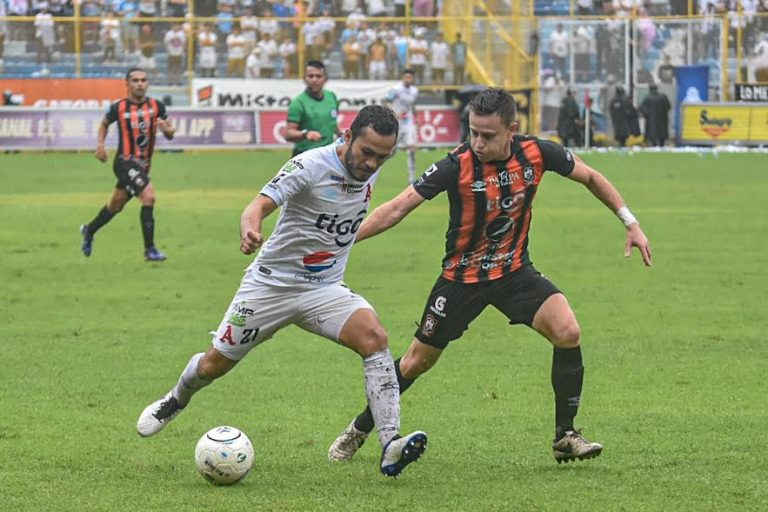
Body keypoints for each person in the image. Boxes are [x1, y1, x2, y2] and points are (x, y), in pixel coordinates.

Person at [328, 87, 652, 466]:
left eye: (487, 135)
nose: (477, 142)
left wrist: (630, 223)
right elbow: (398, 207)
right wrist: (343, 241)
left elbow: (592, 177)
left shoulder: (537, 153)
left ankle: (565, 436)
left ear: (511, 129)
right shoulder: (456, 165)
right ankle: (359, 429)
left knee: (568, 332)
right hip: (462, 281)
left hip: (514, 273)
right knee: (416, 362)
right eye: (473, 132)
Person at [136, 105, 428, 477]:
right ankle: (176, 398)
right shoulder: (310, 165)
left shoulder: (368, 166)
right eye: (367, 152)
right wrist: (250, 229)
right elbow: (257, 205)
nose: (371, 164)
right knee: (213, 365)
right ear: (348, 136)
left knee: (375, 338)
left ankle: (390, 445)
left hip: (324, 289)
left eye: (382, 158)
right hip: (270, 286)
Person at [79, 68, 175, 261]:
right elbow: (104, 124)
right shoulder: (119, 107)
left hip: (143, 165)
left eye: (143, 80)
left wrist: (167, 129)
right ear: (128, 84)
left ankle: (89, 230)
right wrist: (100, 145)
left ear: (147, 83)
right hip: (124, 162)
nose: (140, 84)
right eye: (135, 80)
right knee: (149, 196)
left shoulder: (157, 106)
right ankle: (150, 249)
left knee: (115, 206)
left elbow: (170, 133)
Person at [284, 60, 340, 157]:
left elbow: (332, 122)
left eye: (318, 76)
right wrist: (305, 134)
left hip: (327, 155)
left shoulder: (332, 97)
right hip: (305, 155)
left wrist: (341, 133)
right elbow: (288, 133)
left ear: (325, 79)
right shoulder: (298, 103)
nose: (314, 80)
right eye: (310, 76)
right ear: (304, 79)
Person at [385, 69, 419, 182]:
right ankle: (377, 167)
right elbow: (386, 102)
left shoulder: (414, 90)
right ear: (403, 78)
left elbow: (412, 105)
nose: (408, 79)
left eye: (410, 77)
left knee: (411, 148)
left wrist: (416, 118)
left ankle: (411, 177)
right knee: (391, 150)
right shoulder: (396, 89)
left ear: (413, 79)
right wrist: (394, 112)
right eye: (406, 77)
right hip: (397, 122)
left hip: (409, 122)